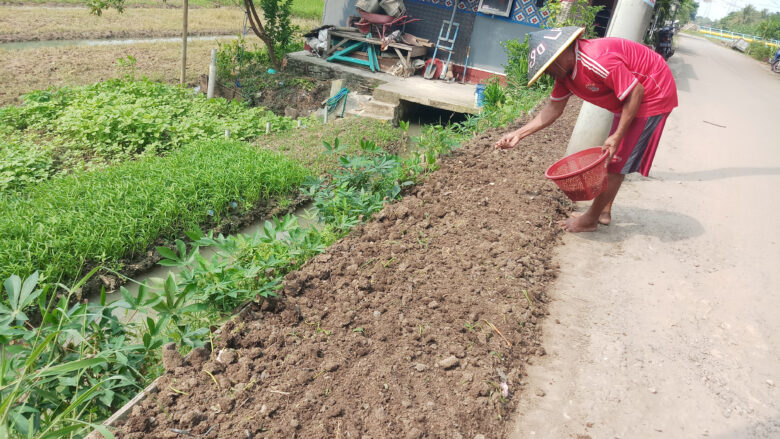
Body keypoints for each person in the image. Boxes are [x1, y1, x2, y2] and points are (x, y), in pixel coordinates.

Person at [495, 26, 678, 233]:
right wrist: (518, 134)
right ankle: (603, 211)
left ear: (564, 51)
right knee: (615, 154)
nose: (549, 72)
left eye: (549, 66)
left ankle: (590, 219)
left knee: (617, 160)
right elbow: (554, 108)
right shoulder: (564, 75)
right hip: (628, 96)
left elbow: (636, 91)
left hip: (652, 92)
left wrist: (617, 136)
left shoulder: (596, 60)